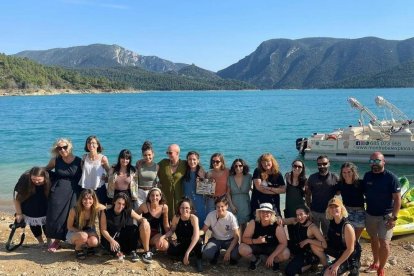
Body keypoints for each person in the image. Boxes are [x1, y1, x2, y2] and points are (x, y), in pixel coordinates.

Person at [362, 152, 401, 276]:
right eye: (371, 161)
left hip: (386, 216)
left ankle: (381, 268)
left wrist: (394, 218)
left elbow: (398, 199)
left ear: (384, 162)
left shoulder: (391, 178)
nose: (374, 164)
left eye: (377, 161)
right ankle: (375, 262)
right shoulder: (367, 176)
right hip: (370, 215)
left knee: (384, 242)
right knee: (373, 239)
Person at [45, 138, 82, 252]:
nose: (62, 150)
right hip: (59, 191)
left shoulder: (79, 161)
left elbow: (89, 173)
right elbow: (45, 171)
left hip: (75, 191)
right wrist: (31, 173)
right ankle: (56, 241)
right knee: (56, 215)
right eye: (59, 148)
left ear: (70, 146)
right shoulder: (55, 160)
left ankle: (73, 239)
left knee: (73, 215)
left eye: (64, 147)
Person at [100, 192, 153, 263]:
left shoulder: (127, 210)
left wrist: (144, 221)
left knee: (133, 228)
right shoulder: (106, 212)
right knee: (114, 250)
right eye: (119, 203)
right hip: (110, 238)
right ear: (115, 202)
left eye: (123, 204)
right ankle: (119, 252)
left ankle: (133, 251)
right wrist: (111, 240)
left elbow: (139, 218)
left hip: (122, 236)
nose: (121, 206)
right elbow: (103, 230)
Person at [239, 202, 290, 271]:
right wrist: (256, 241)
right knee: (242, 248)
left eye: (268, 212)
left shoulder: (277, 225)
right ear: (259, 213)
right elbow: (244, 239)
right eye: (262, 211)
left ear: (272, 214)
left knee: (286, 253)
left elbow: (284, 243)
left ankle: (274, 261)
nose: (265, 214)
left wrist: (272, 256)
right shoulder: (253, 223)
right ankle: (255, 260)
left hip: (272, 248)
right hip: (256, 247)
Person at [283, 205, 327, 276]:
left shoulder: (312, 227)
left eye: (301, 214)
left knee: (289, 272)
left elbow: (324, 244)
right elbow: (283, 221)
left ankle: (312, 263)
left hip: (307, 253)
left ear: (307, 214)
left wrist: (308, 240)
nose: (299, 217)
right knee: (282, 243)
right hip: (297, 247)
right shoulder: (295, 221)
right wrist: (278, 218)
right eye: (297, 215)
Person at [323, 197, 361, 276]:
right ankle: (328, 264)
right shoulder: (332, 222)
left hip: (350, 255)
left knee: (328, 274)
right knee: (315, 245)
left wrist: (336, 265)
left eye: (336, 207)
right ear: (328, 210)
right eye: (331, 207)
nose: (333, 209)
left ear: (342, 208)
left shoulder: (347, 226)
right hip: (340, 251)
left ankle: (353, 266)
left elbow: (350, 249)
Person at [163, 197, 203, 272]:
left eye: (187, 208)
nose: (185, 210)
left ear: (190, 209)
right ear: (179, 209)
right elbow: (171, 231)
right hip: (181, 241)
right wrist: (163, 237)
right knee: (170, 250)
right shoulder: (176, 218)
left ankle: (198, 259)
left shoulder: (193, 218)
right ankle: (185, 256)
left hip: (192, 242)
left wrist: (187, 253)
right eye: (182, 208)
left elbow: (196, 236)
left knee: (198, 241)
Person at [13, 167, 51, 245]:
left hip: (45, 208)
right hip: (29, 208)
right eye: (33, 179)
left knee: (47, 227)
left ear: (45, 178)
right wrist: (19, 213)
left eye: (39, 180)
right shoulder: (25, 180)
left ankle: (49, 241)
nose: (36, 182)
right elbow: (17, 199)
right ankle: (41, 242)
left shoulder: (50, 181)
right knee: (34, 227)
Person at [66, 189, 105, 259]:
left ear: (94, 199)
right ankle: (78, 249)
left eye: (90, 199)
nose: (87, 201)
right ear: (81, 199)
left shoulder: (96, 207)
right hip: (74, 232)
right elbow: (69, 227)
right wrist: (86, 233)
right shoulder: (74, 210)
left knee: (94, 242)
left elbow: (109, 210)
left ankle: (86, 248)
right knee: (83, 236)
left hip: (89, 232)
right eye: (85, 199)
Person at [305, 155, 339, 236]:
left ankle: (327, 247)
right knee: (314, 234)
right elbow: (307, 195)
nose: (322, 166)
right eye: (319, 164)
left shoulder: (335, 177)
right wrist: (309, 209)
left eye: (324, 163)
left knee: (328, 234)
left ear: (329, 163)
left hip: (328, 212)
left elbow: (339, 193)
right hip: (314, 212)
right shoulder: (312, 177)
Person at [201, 196, 240, 265]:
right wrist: (197, 233)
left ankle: (228, 254)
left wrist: (228, 251)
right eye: (217, 206)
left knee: (235, 256)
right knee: (206, 254)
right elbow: (203, 230)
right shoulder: (211, 215)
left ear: (227, 206)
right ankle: (216, 252)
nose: (220, 209)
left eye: (222, 206)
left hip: (229, 240)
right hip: (215, 239)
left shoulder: (232, 217)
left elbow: (236, 237)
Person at [78, 135, 110, 204]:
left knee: (100, 210)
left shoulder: (103, 158)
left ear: (98, 145)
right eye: (89, 143)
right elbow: (81, 171)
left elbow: (110, 173)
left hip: (99, 189)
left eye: (93, 143)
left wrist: (106, 178)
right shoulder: (84, 157)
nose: (91, 145)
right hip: (85, 188)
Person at [337, 162, 365, 240]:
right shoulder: (340, 184)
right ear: (341, 173)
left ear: (353, 172)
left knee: (356, 239)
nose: (346, 174)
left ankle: (356, 252)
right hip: (346, 212)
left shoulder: (361, 183)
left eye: (349, 172)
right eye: (344, 172)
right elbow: (333, 194)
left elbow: (371, 196)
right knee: (347, 238)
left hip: (360, 213)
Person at [136, 187, 170, 252]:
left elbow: (166, 225)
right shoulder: (144, 206)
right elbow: (134, 214)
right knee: (145, 224)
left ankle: (149, 245)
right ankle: (147, 250)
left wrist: (169, 239)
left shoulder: (164, 207)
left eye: (157, 195)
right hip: (143, 231)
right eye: (152, 195)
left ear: (160, 197)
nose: (154, 198)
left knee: (165, 245)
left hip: (155, 234)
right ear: (149, 197)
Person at [158, 144, 187, 218]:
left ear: (177, 153)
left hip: (179, 196)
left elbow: (196, 167)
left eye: (170, 153)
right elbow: (151, 168)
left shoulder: (184, 164)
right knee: (165, 217)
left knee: (179, 217)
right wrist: (141, 161)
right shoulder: (163, 163)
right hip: (165, 196)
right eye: (167, 153)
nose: (168, 154)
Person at [227, 158, 252, 235]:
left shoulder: (249, 177)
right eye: (236, 166)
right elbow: (228, 193)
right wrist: (231, 205)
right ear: (233, 167)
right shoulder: (230, 178)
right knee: (234, 227)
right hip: (234, 204)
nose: (238, 168)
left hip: (245, 204)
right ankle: (235, 245)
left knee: (244, 226)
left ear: (243, 166)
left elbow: (253, 188)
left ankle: (242, 244)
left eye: (240, 166)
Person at [182, 151, 207, 228]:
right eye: (190, 159)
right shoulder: (184, 172)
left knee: (201, 222)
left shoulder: (203, 173)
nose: (192, 161)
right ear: (187, 160)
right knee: (188, 223)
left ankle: (201, 240)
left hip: (200, 202)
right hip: (187, 202)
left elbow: (208, 191)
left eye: (194, 159)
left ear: (198, 160)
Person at [284, 159, 307, 239]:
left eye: (299, 167)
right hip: (289, 208)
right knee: (290, 230)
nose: (297, 168)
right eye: (295, 166)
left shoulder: (304, 181)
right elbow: (282, 188)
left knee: (300, 230)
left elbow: (308, 196)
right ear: (292, 167)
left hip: (300, 209)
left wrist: (308, 209)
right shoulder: (287, 176)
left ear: (302, 168)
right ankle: (292, 248)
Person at [136, 141, 159, 206]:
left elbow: (158, 181)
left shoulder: (157, 166)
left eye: (149, 155)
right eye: (145, 155)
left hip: (152, 193)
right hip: (140, 192)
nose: (147, 157)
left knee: (150, 213)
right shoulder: (139, 164)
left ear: (153, 154)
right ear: (142, 155)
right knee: (139, 213)